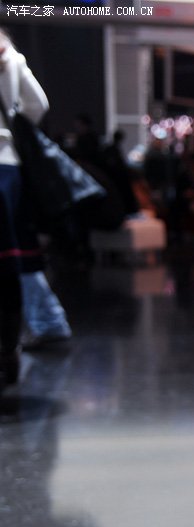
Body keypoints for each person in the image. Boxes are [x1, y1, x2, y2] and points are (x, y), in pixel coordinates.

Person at [0, 30, 49, 388]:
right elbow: (38, 105)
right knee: (7, 265)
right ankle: (8, 351)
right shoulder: (9, 56)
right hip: (6, 164)